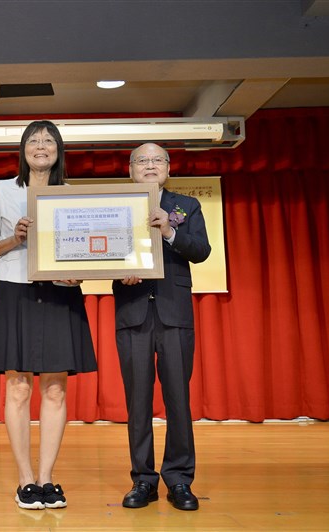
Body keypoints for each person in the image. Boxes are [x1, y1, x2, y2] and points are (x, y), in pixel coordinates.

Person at [0, 120, 97, 510]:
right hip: (14, 289)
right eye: (34, 140)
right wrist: (16, 237)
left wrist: (80, 271)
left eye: (48, 140)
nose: (41, 146)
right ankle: (25, 480)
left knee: (56, 389)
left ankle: (47, 479)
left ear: (58, 150)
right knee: (18, 388)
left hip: (60, 292)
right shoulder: (2, 190)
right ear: (23, 149)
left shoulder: (71, 195)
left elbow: (83, 250)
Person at [113, 143, 211, 511]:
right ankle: (143, 480)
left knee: (178, 400)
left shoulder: (186, 206)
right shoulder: (115, 207)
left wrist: (170, 231)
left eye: (158, 160)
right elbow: (102, 252)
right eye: (142, 160)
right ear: (130, 169)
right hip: (133, 312)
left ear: (168, 169)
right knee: (137, 401)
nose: (150, 165)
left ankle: (180, 479)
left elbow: (201, 251)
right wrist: (119, 273)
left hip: (174, 313)